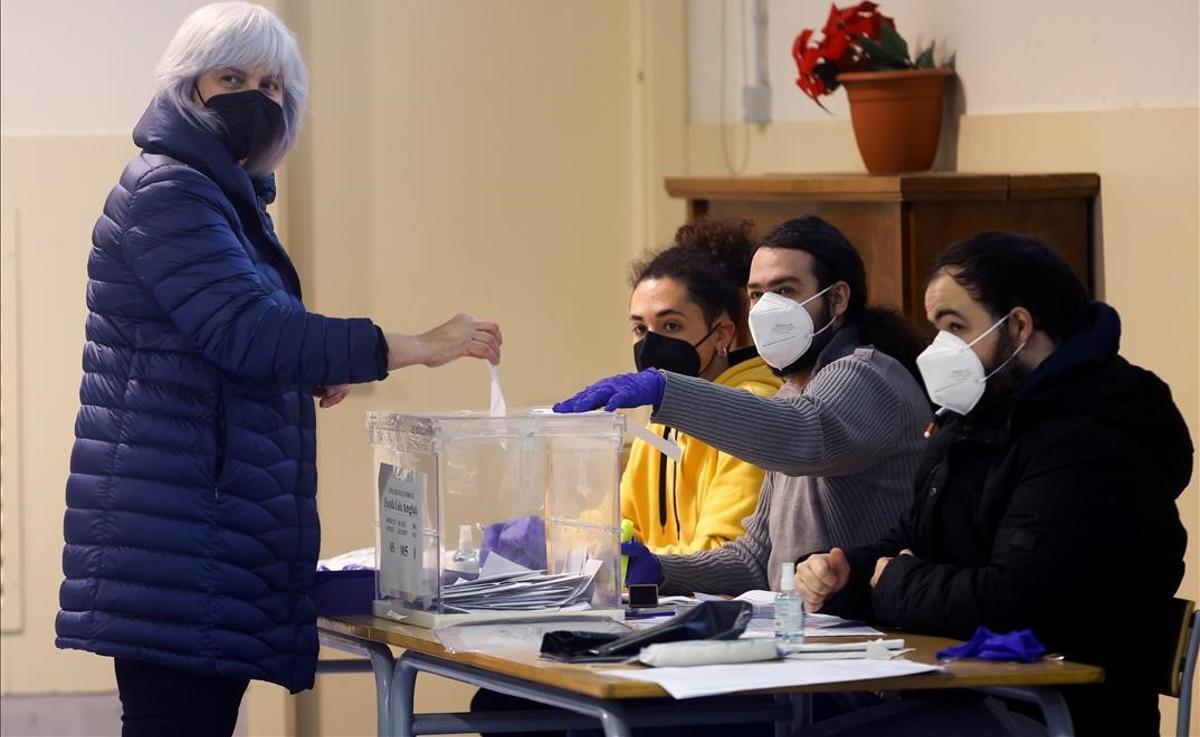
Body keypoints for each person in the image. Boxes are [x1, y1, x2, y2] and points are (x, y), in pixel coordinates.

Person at [54, 4, 502, 736]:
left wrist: (302, 369)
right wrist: (418, 344)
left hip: (201, 533)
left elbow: (224, 337)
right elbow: (246, 331)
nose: (254, 98)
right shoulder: (172, 189)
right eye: (231, 77)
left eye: (270, 86)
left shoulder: (225, 197)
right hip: (179, 537)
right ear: (187, 86)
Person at [795, 233, 1191, 737]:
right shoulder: (975, 424)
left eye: (956, 327)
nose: (939, 348)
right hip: (969, 692)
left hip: (1055, 712)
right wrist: (844, 573)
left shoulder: (1090, 441)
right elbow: (912, 543)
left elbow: (1019, 601)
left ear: (1019, 326)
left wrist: (893, 580)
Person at [555, 216, 929, 597]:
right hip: (813, 634)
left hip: (877, 636)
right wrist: (659, 570)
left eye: (785, 290)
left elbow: (805, 433)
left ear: (837, 299)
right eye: (756, 295)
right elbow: (753, 561)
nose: (767, 308)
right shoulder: (791, 394)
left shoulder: (867, 374)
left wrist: (665, 390)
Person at [621, 219, 781, 555]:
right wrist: (554, 537)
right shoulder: (658, 421)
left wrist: (629, 559)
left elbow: (723, 550)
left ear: (721, 333)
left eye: (671, 325)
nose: (651, 343)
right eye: (640, 328)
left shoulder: (750, 409)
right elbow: (622, 524)